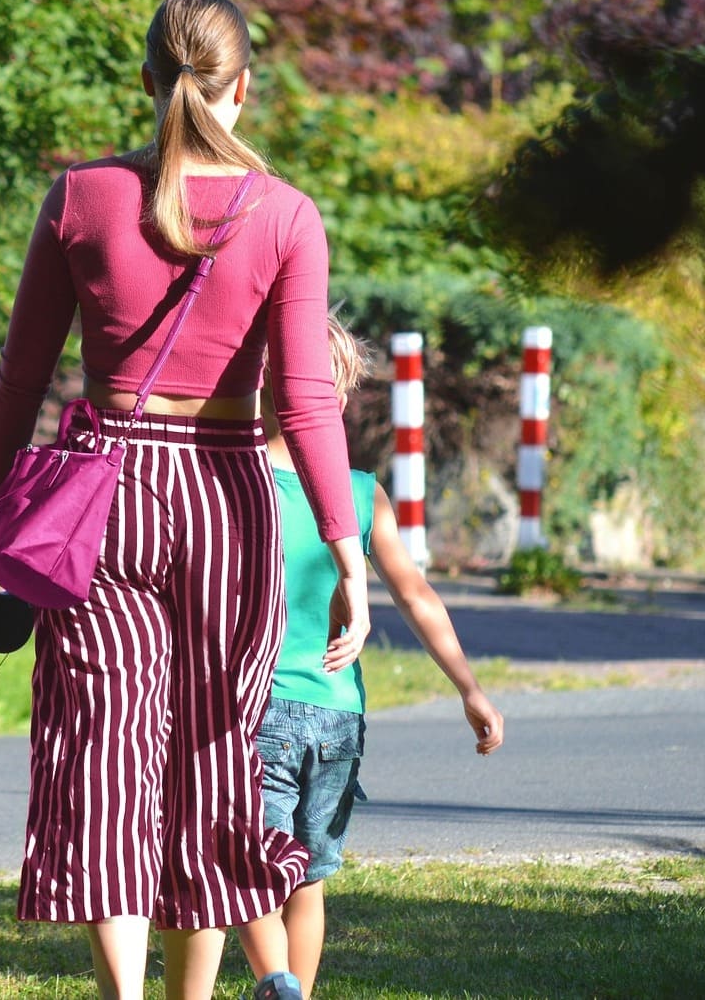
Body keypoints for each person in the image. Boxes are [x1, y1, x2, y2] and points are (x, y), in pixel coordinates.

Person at [0, 0, 370, 999]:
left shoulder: (82, 197)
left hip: (101, 498)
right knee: (210, 754)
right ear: (243, 87)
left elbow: (19, 381)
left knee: (104, 755)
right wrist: (347, 547)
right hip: (227, 498)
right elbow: (308, 397)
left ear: (149, 80)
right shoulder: (284, 215)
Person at [236, 316, 505, 995]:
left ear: (257, 386)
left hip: (256, 706)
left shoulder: (230, 483)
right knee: (307, 870)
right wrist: (469, 688)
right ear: (342, 399)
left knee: (250, 863)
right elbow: (416, 595)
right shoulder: (361, 493)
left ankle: (274, 980)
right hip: (337, 712)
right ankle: (296, 988)